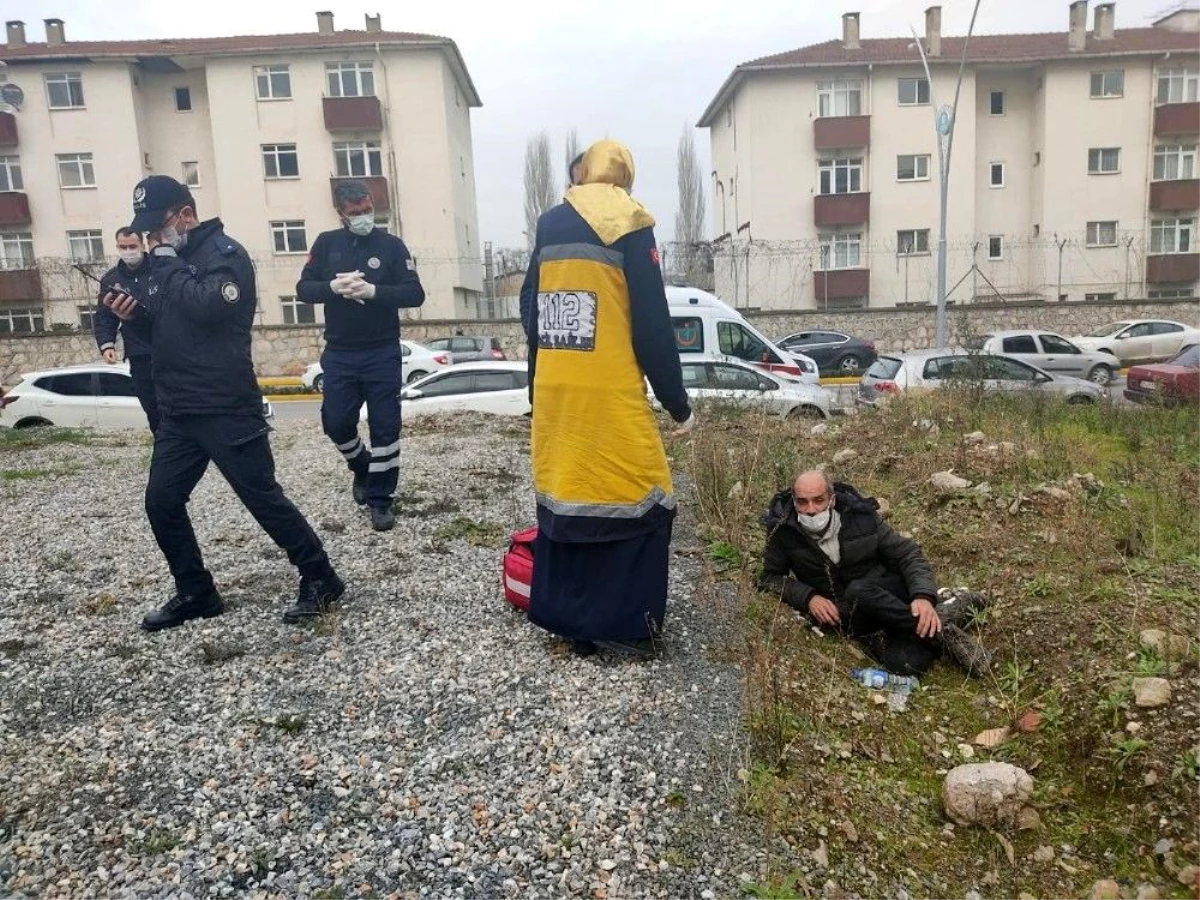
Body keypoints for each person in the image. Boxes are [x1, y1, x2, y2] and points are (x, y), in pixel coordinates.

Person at [103, 175, 344, 629]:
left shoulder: (224, 256)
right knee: (161, 501)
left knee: (262, 498)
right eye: (147, 232)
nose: (151, 240)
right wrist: (132, 320)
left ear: (186, 216)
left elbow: (207, 307)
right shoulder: (166, 263)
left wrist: (169, 262)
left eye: (158, 229)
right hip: (179, 410)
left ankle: (320, 576)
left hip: (224, 404)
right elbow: (166, 329)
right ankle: (195, 590)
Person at [519, 139, 695, 659]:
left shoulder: (551, 222)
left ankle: (572, 621)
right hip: (609, 387)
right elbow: (651, 324)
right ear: (623, 177)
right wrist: (677, 401)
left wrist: (537, 387)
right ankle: (625, 624)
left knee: (568, 490)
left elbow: (533, 309)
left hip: (556, 387)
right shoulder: (631, 221)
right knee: (643, 490)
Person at [759, 470, 992, 676]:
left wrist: (922, 596)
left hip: (885, 590)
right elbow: (770, 577)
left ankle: (940, 624)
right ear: (794, 501)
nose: (811, 510)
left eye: (818, 500)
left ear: (831, 499)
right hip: (855, 617)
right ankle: (949, 614)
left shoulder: (861, 516)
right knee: (908, 665)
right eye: (803, 502)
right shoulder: (782, 530)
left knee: (859, 590)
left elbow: (907, 553)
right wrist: (809, 597)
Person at [296, 180, 426, 532]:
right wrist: (333, 288)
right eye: (355, 213)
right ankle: (361, 467)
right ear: (341, 214)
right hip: (339, 352)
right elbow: (303, 288)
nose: (364, 217)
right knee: (335, 422)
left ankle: (381, 500)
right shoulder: (326, 244)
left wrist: (373, 291)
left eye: (367, 210)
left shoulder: (391, 245)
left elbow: (415, 294)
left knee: (386, 428)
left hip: (382, 350)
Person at [94, 228, 158, 432]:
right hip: (139, 354)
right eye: (123, 247)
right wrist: (107, 344)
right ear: (117, 247)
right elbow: (104, 315)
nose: (129, 251)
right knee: (153, 410)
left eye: (133, 246)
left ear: (143, 245)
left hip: (168, 348)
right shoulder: (111, 279)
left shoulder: (160, 269)